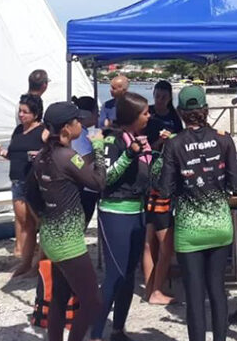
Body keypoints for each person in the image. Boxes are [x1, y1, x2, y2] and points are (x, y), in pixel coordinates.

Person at [158, 86, 237, 341]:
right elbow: (236, 183)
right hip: (220, 225)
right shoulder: (224, 139)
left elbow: (165, 189)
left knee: (194, 295)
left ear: (181, 112)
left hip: (189, 229)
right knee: (217, 290)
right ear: (205, 109)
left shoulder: (174, 143)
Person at [26, 102, 107, 341]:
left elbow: (31, 194)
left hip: (50, 236)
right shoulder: (68, 156)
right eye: (77, 121)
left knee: (60, 299)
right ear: (66, 128)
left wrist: (45, 215)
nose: (81, 124)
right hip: (67, 241)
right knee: (92, 302)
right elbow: (98, 183)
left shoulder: (41, 156)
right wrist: (99, 147)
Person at [92, 92, 151, 341]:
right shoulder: (112, 140)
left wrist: (155, 152)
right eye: (145, 113)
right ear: (133, 116)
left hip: (138, 210)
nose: (149, 116)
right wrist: (129, 154)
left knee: (128, 276)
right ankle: (95, 334)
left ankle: (118, 330)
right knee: (114, 276)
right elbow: (105, 178)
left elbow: (147, 175)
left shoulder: (136, 138)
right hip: (115, 212)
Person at [0, 95, 48, 277]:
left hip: (34, 182)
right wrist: (2, 153)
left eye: (25, 112)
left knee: (42, 223)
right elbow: (14, 155)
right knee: (25, 223)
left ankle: (40, 261)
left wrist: (39, 155)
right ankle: (26, 262)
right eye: (20, 111)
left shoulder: (43, 131)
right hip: (17, 181)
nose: (21, 115)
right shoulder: (18, 130)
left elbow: (52, 152)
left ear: (36, 114)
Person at [142, 81, 183, 305]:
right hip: (153, 179)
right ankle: (153, 288)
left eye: (164, 97)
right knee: (153, 239)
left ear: (169, 98)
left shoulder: (174, 116)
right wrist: (160, 141)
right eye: (157, 96)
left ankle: (155, 286)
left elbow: (181, 141)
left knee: (157, 238)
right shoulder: (147, 115)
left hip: (168, 177)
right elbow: (143, 147)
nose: (159, 100)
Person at [71, 96, 102, 226]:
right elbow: (83, 161)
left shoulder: (79, 133)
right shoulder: (81, 135)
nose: (98, 115)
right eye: (96, 112)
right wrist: (97, 149)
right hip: (84, 189)